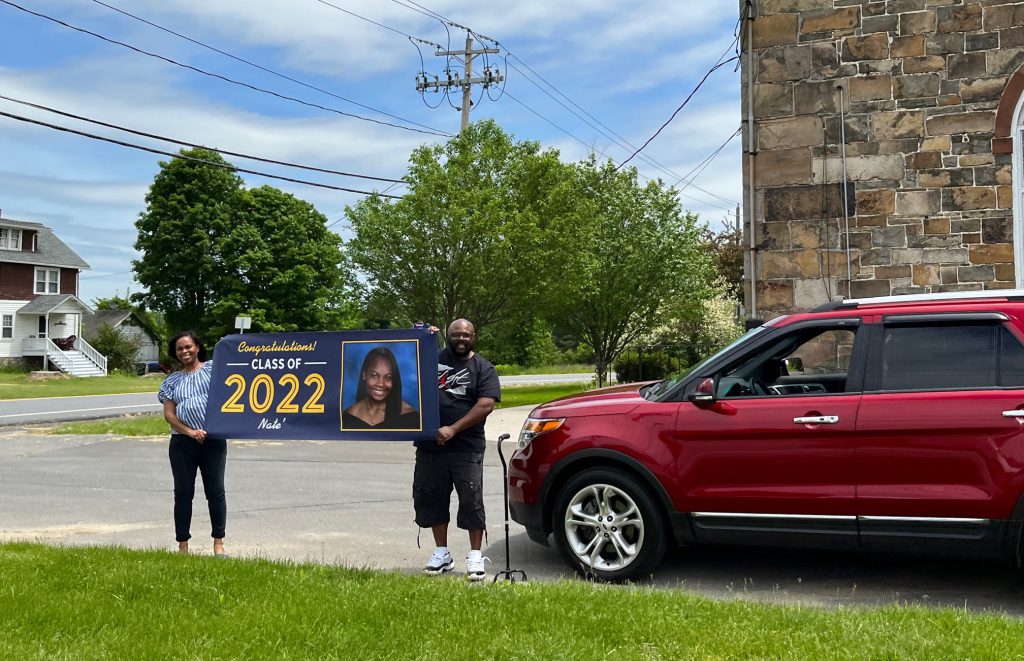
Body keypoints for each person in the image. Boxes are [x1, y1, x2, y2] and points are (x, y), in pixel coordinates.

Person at [414, 319, 501, 581]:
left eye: (465, 334)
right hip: (430, 447)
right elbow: (405, 368)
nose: (461, 339)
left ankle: (475, 555)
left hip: (467, 448)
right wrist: (420, 337)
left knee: (471, 501)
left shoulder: (483, 368)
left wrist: (453, 429)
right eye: (455, 334)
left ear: (474, 336)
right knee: (431, 498)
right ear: (448, 335)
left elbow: (485, 405)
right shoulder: (429, 361)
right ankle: (442, 553)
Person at [158, 330, 227, 557]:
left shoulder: (213, 370)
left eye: (188, 347)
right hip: (182, 443)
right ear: (175, 353)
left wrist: (228, 344)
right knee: (183, 493)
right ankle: (183, 545)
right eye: (179, 349)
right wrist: (189, 431)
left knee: (215, 491)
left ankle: (218, 543)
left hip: (213, 440)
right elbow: (169, 414)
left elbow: (236, 372)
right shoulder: (172, 381)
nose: (184, 351)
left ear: (197, 347)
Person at [342, 345, 419, 430]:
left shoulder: (410, 417)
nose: (380, 384)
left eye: (388, 377)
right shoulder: (349, 416)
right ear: (364, 375)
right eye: (374, 375)